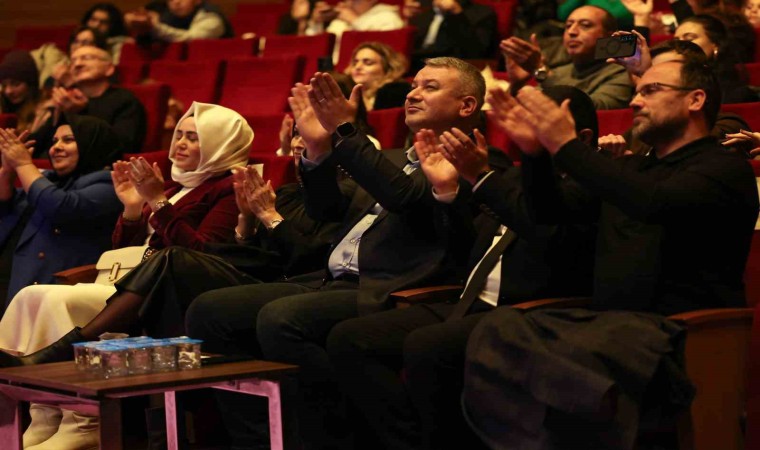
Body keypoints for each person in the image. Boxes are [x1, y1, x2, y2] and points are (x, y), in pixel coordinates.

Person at [183, 57, 503, 449]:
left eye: (430, 87)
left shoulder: (478, 162)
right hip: (330, 279)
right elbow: (326, 211)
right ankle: (259, 439)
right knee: (209, 310)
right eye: (414, 85)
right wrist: (317, 152)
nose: (413, 94)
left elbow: (405, 198)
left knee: (282, 319)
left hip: (390, 289)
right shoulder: (390, 158)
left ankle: (331, 439)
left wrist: (345, 131)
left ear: (467, 106)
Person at [461, 59, 758, 449]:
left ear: (696, 99)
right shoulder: (633, 168)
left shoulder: (724, 168)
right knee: (498, 328)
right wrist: (535, 154)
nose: (635, 101)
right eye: (636, 91)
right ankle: (590, 417)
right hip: (608, 329)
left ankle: (591, 421)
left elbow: (653, 203)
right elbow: (549, 213)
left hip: (677, 337)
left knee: (546, 366)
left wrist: (566, 146)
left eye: (650, 90)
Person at [325, 85, 598, 450]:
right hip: (466, 300)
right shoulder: (513, 179)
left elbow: (553, 242)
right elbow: (462, 248)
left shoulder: (589, 189)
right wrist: (447, 193)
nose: (526, 132)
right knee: (350, 338)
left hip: (525, 313)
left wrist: (483, 179)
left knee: (428, 347)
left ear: (582, 137)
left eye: (540, 122)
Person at [0, 101, 252, 450]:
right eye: (179, 134)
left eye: (194, 138)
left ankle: (83, 419)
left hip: (165, 294)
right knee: (34, 293)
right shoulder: (174, 186)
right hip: (126, 283)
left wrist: (158, 201)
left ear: (220, 143)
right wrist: (133, 210)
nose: (180, 142)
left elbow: (200, 254)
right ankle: (45, 415)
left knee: (60, 297)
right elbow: (124, 251)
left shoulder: (226, 189)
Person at [0, 115, 122, 309]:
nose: (56, 147)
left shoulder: (110, 184)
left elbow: (60, 207)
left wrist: (23, 164)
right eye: (54, 141)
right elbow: (6, 207)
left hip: (53, 292)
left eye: (68, 140)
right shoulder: (50, 179)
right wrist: (7, 171)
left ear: (92, 143)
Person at [502, 5, 634, 109]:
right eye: (568, 26)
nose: (572, 32)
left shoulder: (621, 73)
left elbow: (595, 109)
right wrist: (516, 85)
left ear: (609, 36)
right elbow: (519, 112)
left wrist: (540, 69)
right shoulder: (559, 72)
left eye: (585, 25)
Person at [31, 45, 147, 157]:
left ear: (109, 69)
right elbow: (38, 145)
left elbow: (123, 146)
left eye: (87, 58)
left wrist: (79, 114)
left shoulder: (125, 100)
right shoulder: (67, 100)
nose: (77, 64)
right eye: (73, 61)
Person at [674, 14, 756, 103]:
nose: (680, 45)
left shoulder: (732, 90)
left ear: (715, 44)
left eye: (689, 39)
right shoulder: (672, 80)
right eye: (676, 41)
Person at [403, 0, 498, 71]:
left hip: (452, 66)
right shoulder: (423, 8)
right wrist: (405, 20)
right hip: (415, 63)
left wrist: (456, 13)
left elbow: (476, 51)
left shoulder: (482, 13)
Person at [305, 0, 404, 62]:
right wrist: (316, 23)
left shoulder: (388, 18)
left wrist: (355, 21)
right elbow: (315, 49)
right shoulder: (340, 22)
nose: (347, 4)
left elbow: (384, 52)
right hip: (337, 72)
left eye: (353, 0)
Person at [125, 0, 234, 43]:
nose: (176, 2)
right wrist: (142, 30)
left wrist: (154, 27)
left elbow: (192, 40)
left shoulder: (211, 17)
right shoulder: (168, 15)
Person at [345, 41, 410, 110]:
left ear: (387, 68)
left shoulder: (395, 91)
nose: (357, 67)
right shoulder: (345, 91)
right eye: (355, 63)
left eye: (368, 63)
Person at [0, 51, 47, 135]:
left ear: (30, 85)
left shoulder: (43, 112)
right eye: (4, 85)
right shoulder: (4, 107)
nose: (8, 91)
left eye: (15, 84)